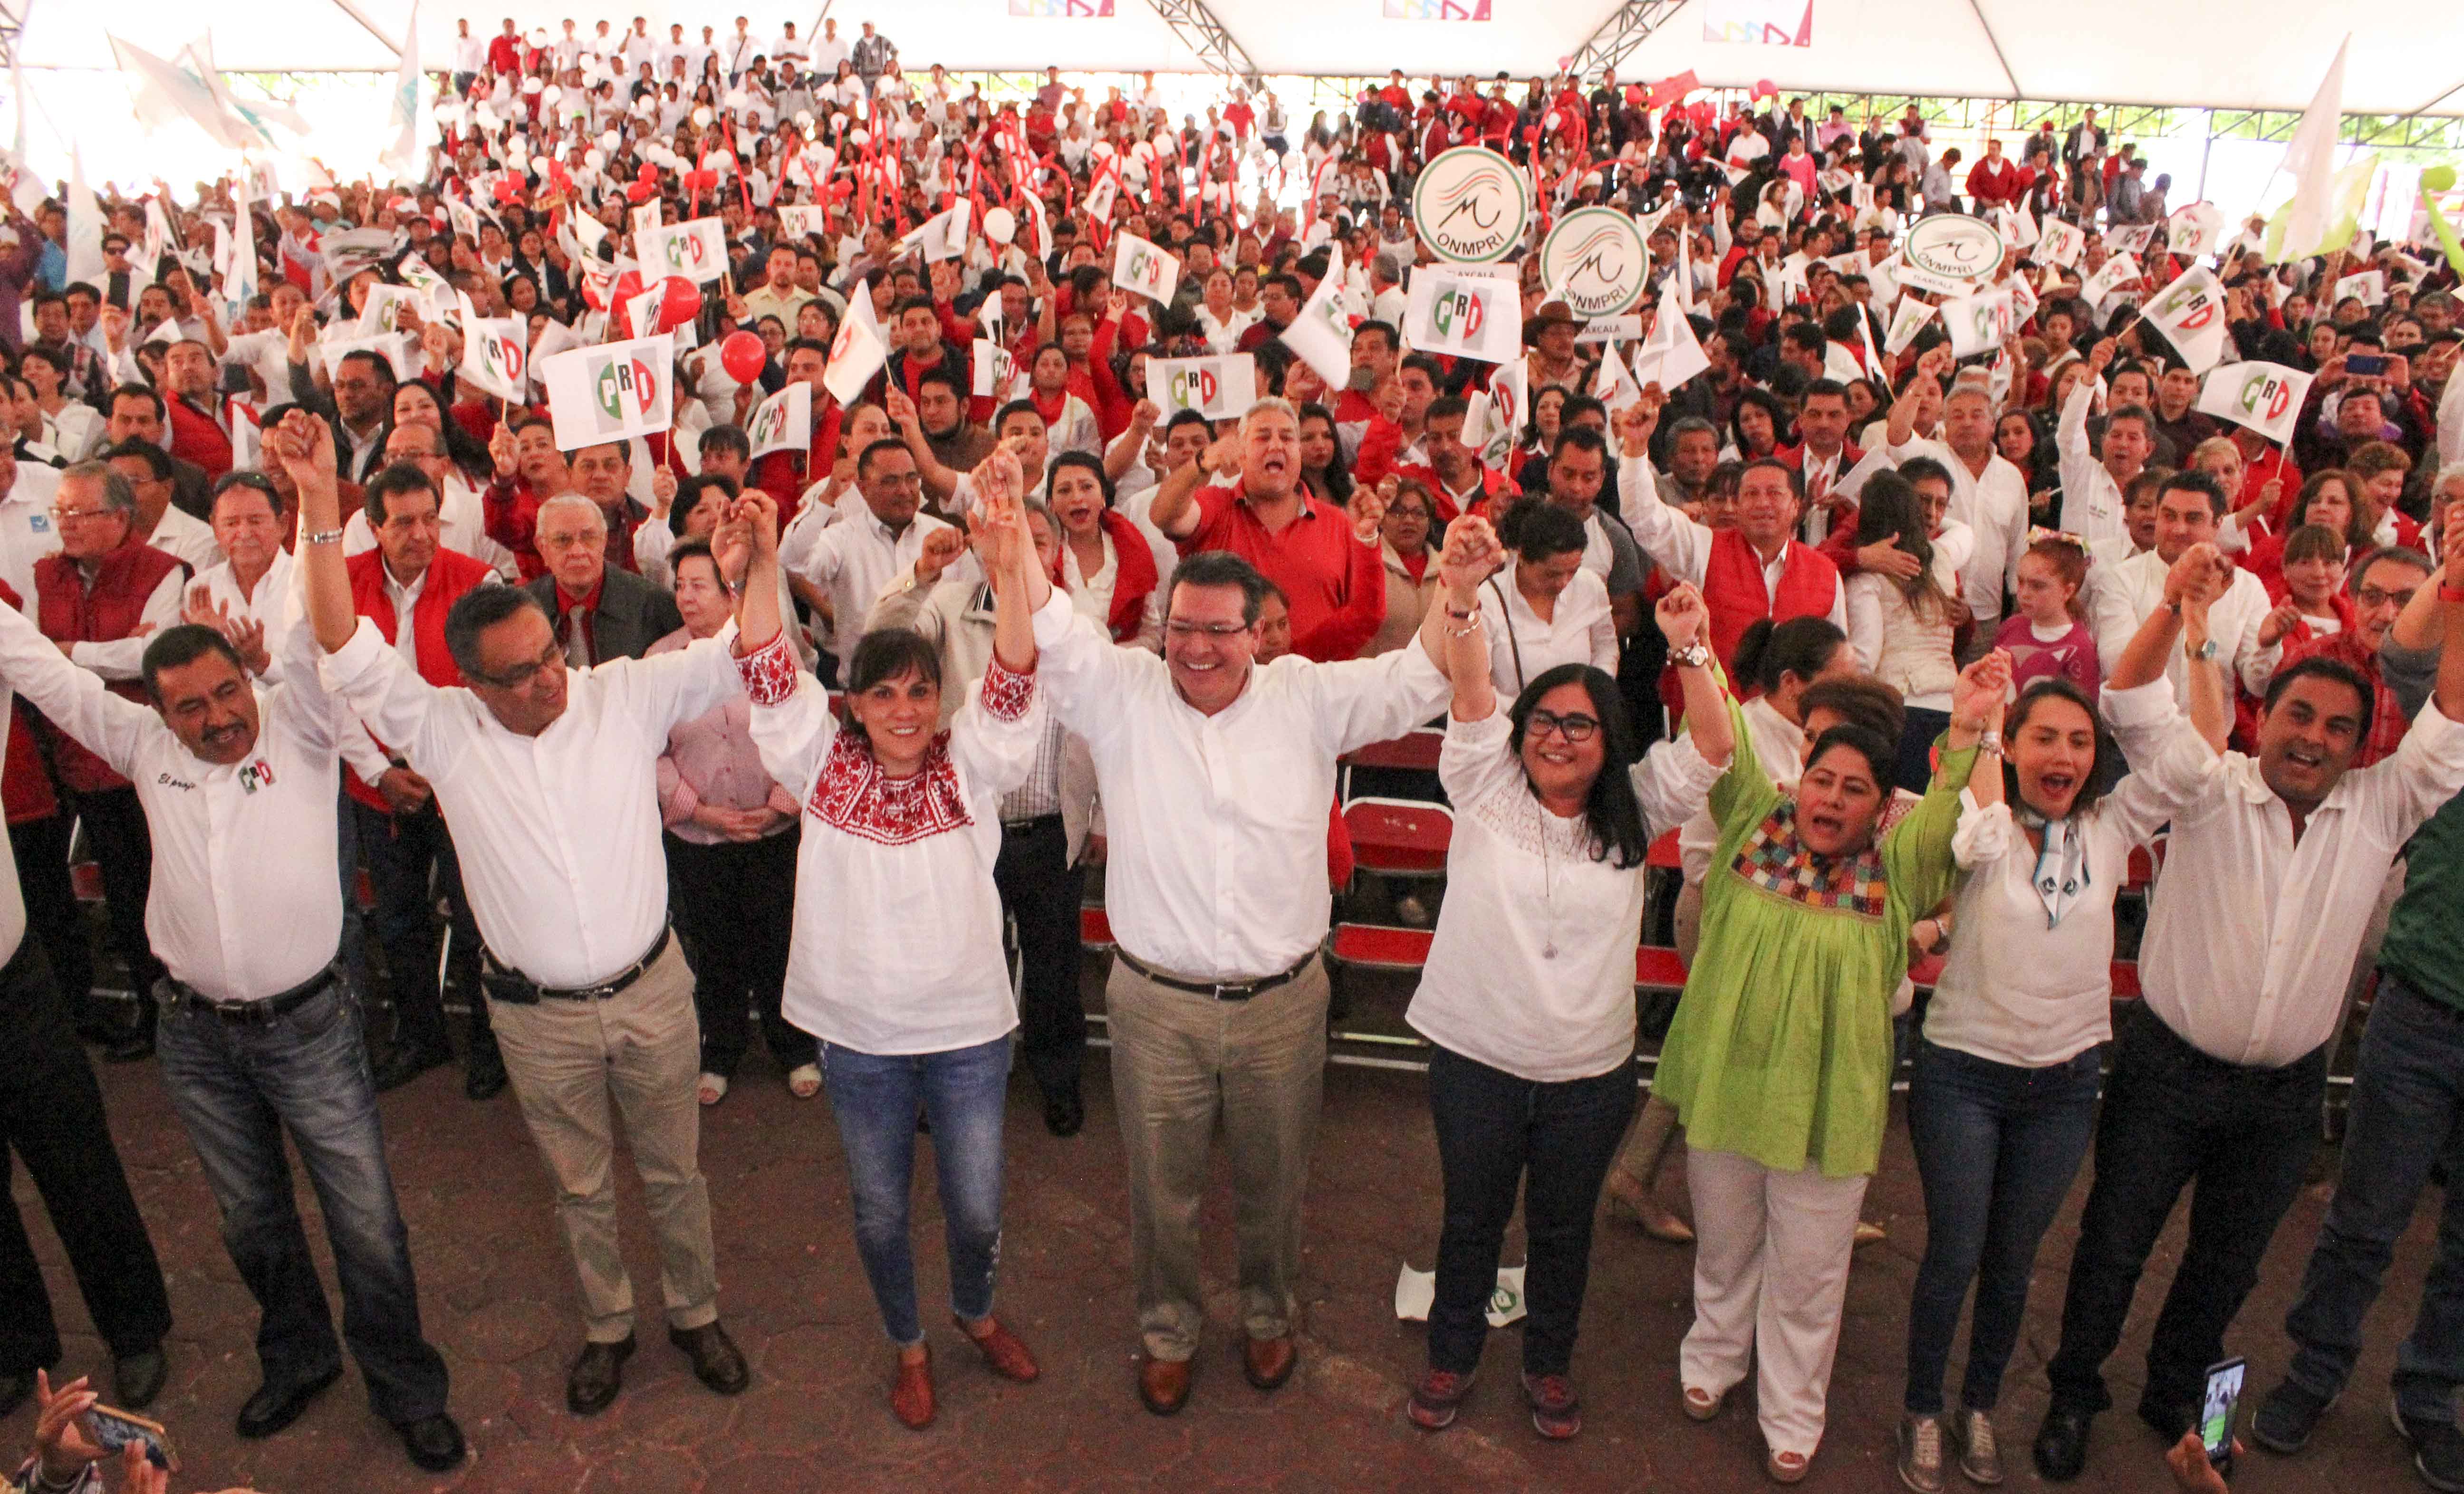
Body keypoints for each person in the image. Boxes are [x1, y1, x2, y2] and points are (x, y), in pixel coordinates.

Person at [294, 410, 753, 1419]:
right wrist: (320, 507)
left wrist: (741, 565)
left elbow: (738, 651)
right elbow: (337, 634)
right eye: (520, 675)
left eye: (550, 656)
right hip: (536, 1020)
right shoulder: (441, 726)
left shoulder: (621, 694)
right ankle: (608, 1327)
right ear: (470, 685)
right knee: (582, 1189)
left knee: (676, 1173)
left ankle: (695, 1312)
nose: (549, 680)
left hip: (653, 992)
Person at [0, 528, 462, 1470]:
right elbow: (44, 674)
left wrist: (314, 496)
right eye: (191, 709)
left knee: (366, 1223)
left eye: (225, 694)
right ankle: (298, 1357)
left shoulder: (293, 715)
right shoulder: (134, 741)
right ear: (156, 714)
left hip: (313, 1030)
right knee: (250, 1220)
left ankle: (407, 1388)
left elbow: (312, 627)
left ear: (245, 680)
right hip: (196, 1040)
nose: (218, 719)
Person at [1013, 500, 1484, 1416]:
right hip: (1156, 1002)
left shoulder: (1305, 696)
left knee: (1275, 1178)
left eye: (1218, 630)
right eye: (1181, 627)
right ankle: (1166, 1331)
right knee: (1161, 1187)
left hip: (1281, 1000)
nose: (1197, 647)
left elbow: (1415, 676)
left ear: (1256, 634)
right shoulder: (1120, 694)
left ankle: (1270, 1314)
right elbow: (1053, 630)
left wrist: (1455, 590)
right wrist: (1006, 534)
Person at [2031, 540, 2464, 1483]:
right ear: (2264, 722)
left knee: (2229, 1272)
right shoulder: (2206, 784)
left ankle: (2193, 1411)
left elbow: (2452, 720)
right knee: (2112, 1247)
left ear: (2358, 747)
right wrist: (2176, 605)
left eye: (2336, 728)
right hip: (2167, 1071)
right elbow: (2134, 701)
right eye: (2297, 716)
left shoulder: (2381, 810)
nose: (2311, 738)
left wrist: (2460, 596)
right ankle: (2074, 1392)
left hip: (2284, 1098)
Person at [734, 460, 1049, 1429]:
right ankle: (908, 1345)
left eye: (922, 691)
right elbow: (767, 669)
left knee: (980, 1209)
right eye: (886, 695)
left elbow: (1016, 676)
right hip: (859, 1038)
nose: (907, 710)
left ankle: (976, 1311)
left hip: (967, 1033)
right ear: (858, 705)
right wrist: (753, 564)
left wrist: (1011, 555)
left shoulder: (975, 765)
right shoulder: (819, 764)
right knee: (878, 1213)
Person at [1659, 641, 2006, 1484]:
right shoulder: (1749, 818)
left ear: (1877, 804)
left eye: (1854, 788)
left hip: (1827, 1098)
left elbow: (1946, 808)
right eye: (1822, 779)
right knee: (1725, 1242)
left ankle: (1792, 1406)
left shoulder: (1896, 865)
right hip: (1727, 1080)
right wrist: (1691, 648)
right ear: (1798, 778)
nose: (1831, 798)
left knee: (1809, 1270)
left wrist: (1967, 725)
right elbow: (1721, 736)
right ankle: (1712, 1353)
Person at [1404, 562, 1735, 1441]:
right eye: (1543, 720)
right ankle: (1452, 1351)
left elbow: (1711, 745)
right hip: (1475, 1055)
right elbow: (1471, 689)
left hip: (1586, 1071)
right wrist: (1465, 598)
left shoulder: (1636, 807)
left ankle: (1546, 1363)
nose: (1557, 736)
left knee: (1561, 1229)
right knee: (1470, 1217)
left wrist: (1689, 646)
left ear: (1607, 737)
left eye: (1579, 724)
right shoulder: (1482, 786)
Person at [1896, 676, 2175, 1492]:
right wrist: (1979, 729)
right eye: (2042, 736)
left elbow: (2184, 753)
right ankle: (1919, 1405)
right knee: (1952, 1250)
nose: (2061, 753)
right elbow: (1982, 840)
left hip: (2061, 1081)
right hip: (1962, 1072)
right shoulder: (1973, 818)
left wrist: (2185, 618)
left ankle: (1976, 1402)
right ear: (2011, 746)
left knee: (2014, 1258)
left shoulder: (2110, 823)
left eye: (2078, 740)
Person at [2249, 507, 2464, 1493]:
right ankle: (2314, 1371)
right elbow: (2412, 657)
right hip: (2426, 999)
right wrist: (2454, 574)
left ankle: (2430, 1396)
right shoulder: (2457, 699)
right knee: (2367, 1218)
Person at [868, 493, 1096, 1137]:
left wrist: (1098, 818)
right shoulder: (947, 606)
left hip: (1054, 831)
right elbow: (882, 646)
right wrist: (920, 577)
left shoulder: (1084, 630)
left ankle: (1059, 1082)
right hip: (969, 832)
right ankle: (959, 1089)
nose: (1026, 551)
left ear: (1055, 552)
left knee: (1054, 971)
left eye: (1039, 540)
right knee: (962, 968)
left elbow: (1106, 734)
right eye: (1013, 538)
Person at [340, 463, 504, 1101]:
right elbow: (330, 691)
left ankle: (491, 1042)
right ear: (372, 526)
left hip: (460, 783)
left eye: (429, 518)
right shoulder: (342, 588)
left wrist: (448, 771)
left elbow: (491, 690)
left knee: (474, 919)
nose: (420, 534)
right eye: (403, 522)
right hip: (375, 782)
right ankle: (422, 1036)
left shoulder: (476, 582)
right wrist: (379, 771)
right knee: (400, 921)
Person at [31, 462, 184, 1062]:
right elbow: (42, 652)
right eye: (61, 512)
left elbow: (154, 655)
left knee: (165, 892)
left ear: (120, 518)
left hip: (145, 761)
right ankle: (152, 1016)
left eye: (81, 512)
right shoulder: (49, 573)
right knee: (124, 898)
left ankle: (183, 1015)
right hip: (80, 763)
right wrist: (103, 655)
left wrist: (72, 653)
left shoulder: (161, 570)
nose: (66, 524)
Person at [651, 538, 808, 1107]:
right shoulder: (659, 661)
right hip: (699, 837)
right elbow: (651, 754)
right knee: (715, 946)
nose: (686, 598)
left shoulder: (772, 650)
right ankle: (721, 1050)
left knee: (778, 941)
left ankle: (793, 1047)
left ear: (729, 593)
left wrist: (781, 802)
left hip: (772, 831)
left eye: (700, 586)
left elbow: (803, 729)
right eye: (680, 586)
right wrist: (701, 810)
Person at [1617, 396, 1847, 670]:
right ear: (1737, 506)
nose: (1763, 503)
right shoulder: (1703, 546)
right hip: (1716, 705)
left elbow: (1836, 662)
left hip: (1794, 711)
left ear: (1796, 506)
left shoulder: (1826, 573)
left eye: (1774, 493)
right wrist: (1635, 448)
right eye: (1751, 494)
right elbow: (1643, 516)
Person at [1843, 470, 1964, 791]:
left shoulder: (1866, 578)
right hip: (1951, 710)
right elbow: (1964, 531)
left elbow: (1865, 658)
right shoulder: (1941, 559)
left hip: (1899, 711)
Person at [1477, 499, 1618, 702]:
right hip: (1511, 723)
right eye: (1551, 574)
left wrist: (1595, 691)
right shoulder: (1489, 599)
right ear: (1522, 558)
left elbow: (1605, 647)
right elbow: (1478, 683)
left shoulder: (1590, 586)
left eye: (1573, 571)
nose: (1564, 582)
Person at [523, 493, 684, 667]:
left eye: (588, 537)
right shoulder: (522, 611)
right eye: (563, 540)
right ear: (542, 547)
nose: (578, 551)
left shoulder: (654, 606)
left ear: (604, 541)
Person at [1997, 532, 2102, 702]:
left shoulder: (2078, 647)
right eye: (2021, 582)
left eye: (2038, 586)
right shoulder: (2011, 626)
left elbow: (2082, 710)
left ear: (2068, 591)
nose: (2024, 594)